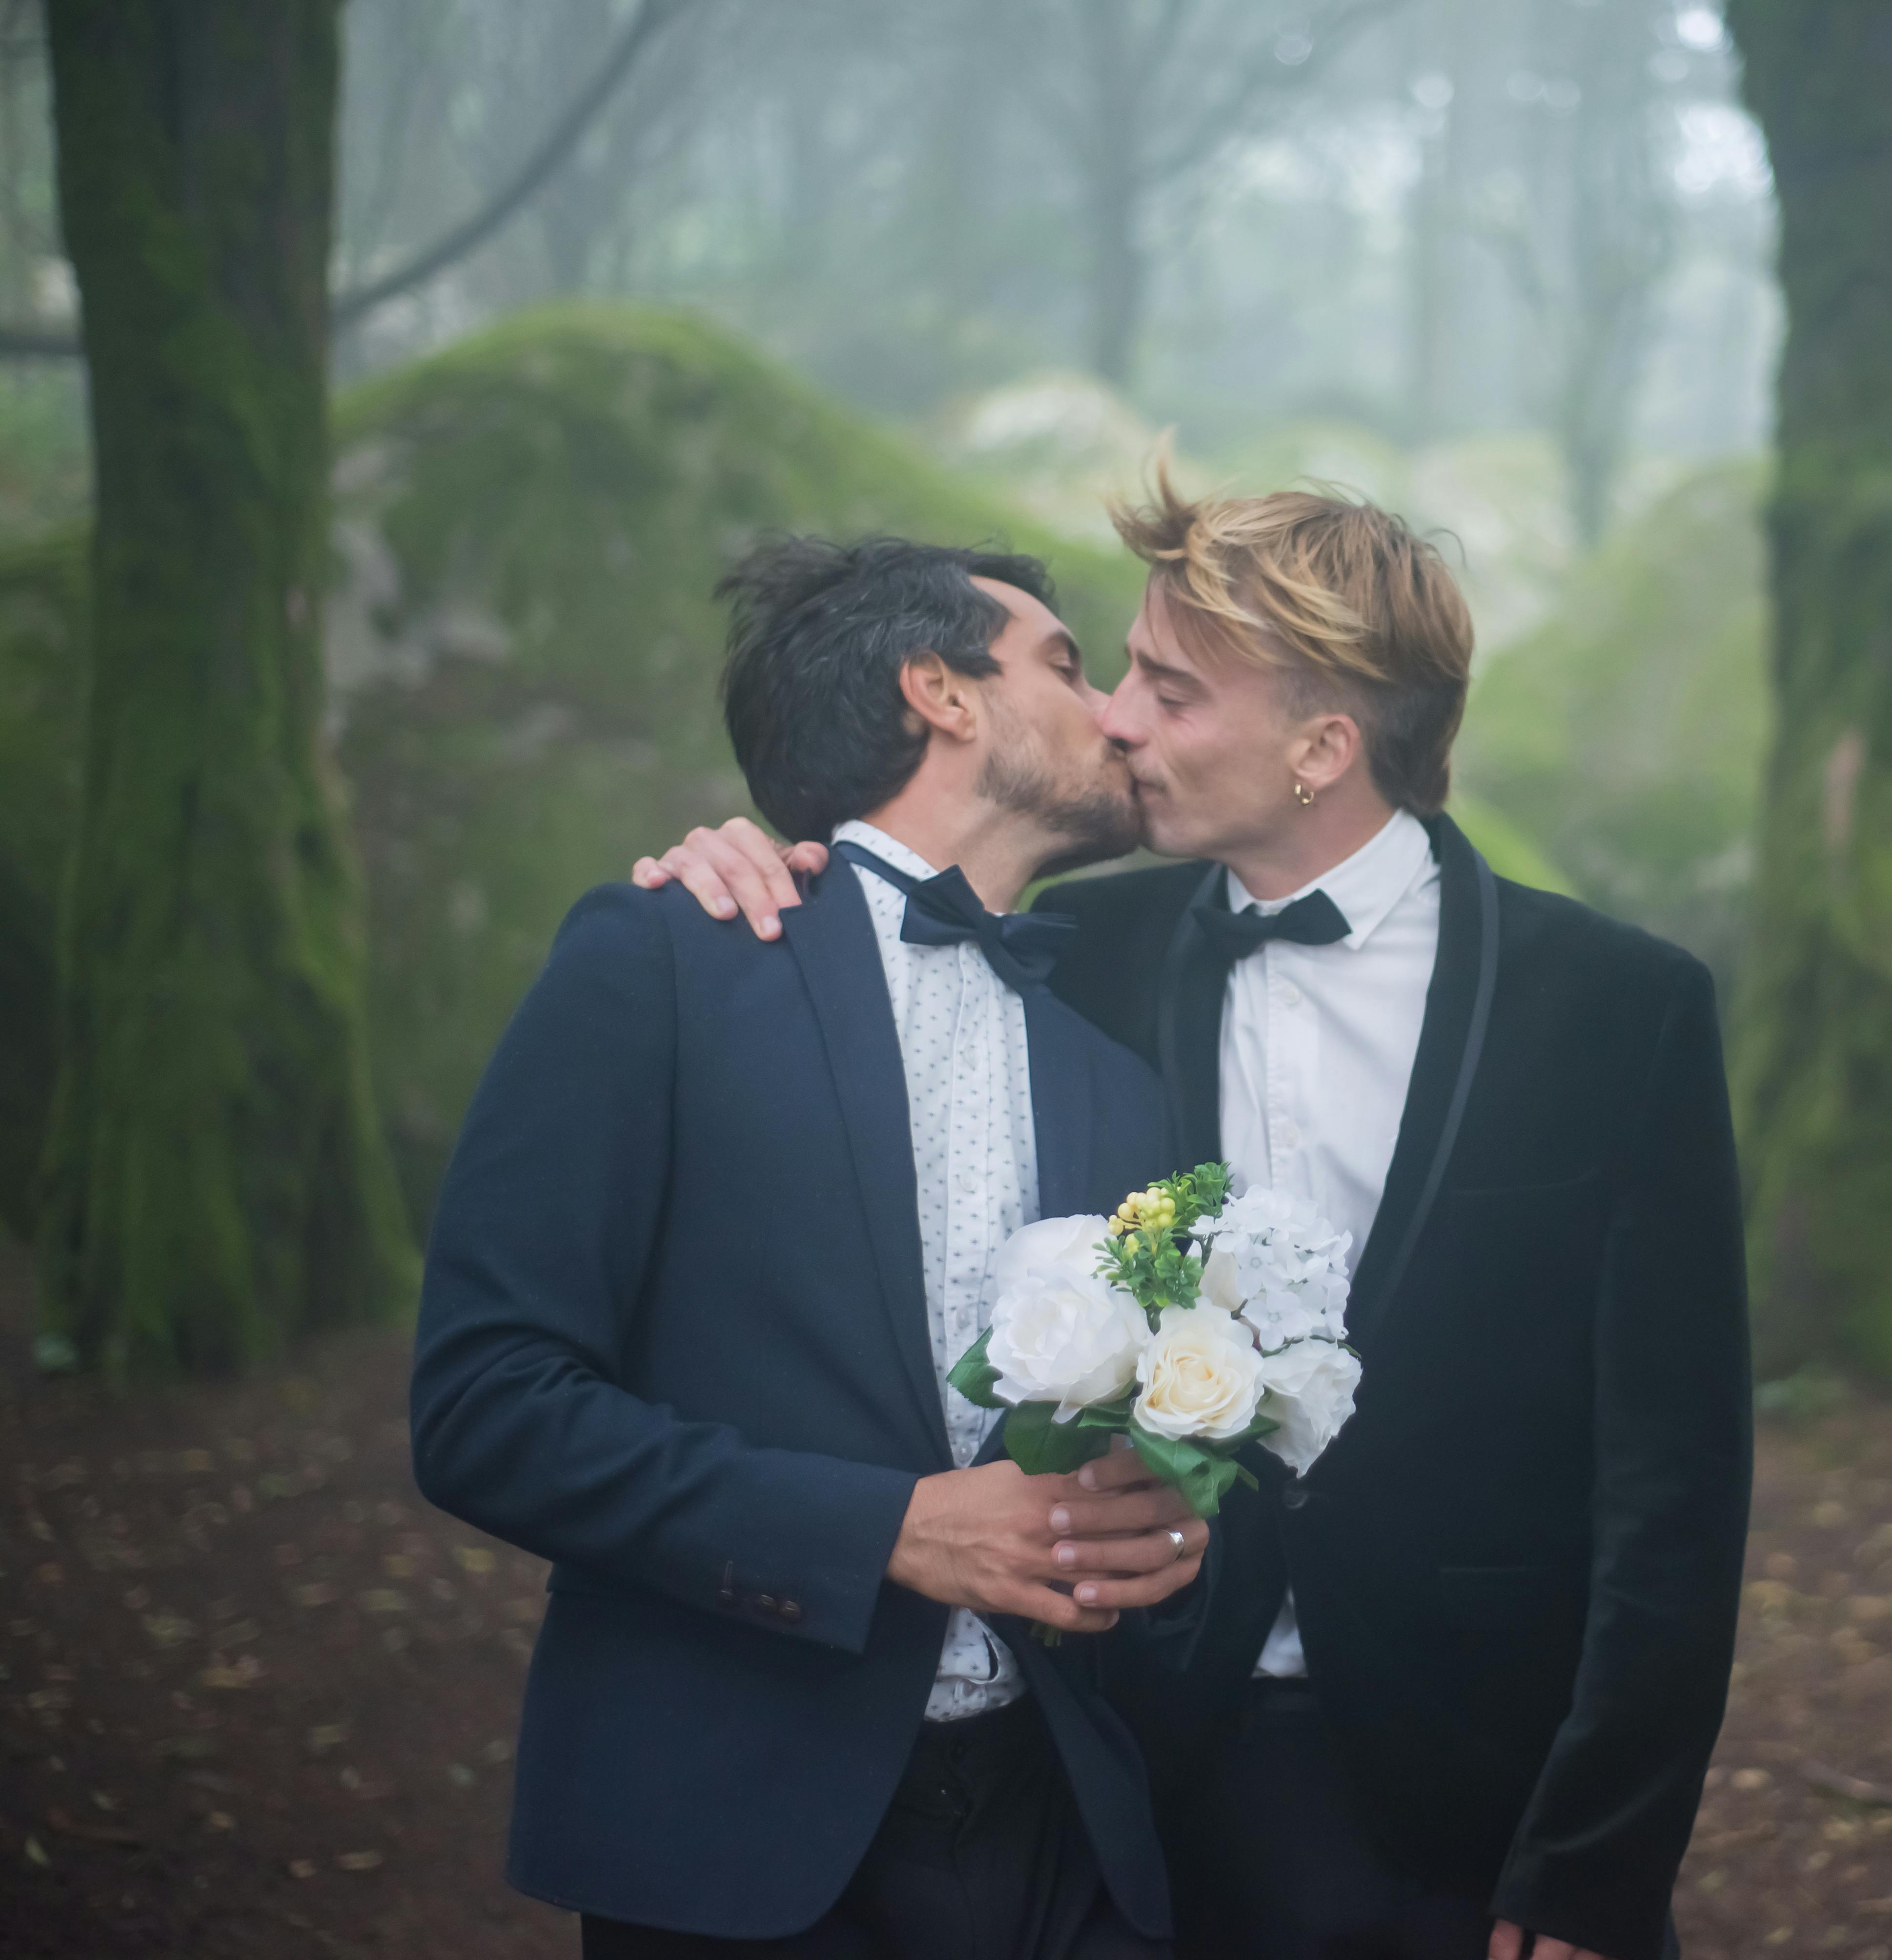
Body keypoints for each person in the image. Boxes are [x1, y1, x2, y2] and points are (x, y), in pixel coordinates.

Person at [640, 477, 1752, 1960]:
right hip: (1133, 1792)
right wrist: (736, 861)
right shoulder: (1062, 957)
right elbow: (875, 927)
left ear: (1322, 749)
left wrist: (1599, 1861)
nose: (1117, 721)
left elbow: (1676, 1487)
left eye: (1169, 690)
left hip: (1480, 1804)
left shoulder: (1621, 1010)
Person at [415, 538, 1217, 1960]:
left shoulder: (1118, 1073)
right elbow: (486, 1408)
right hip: (734, 1829)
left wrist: (1161, 1511)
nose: (1111, 714)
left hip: (1069, 1838)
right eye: (1066, 665)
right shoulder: (662, 956)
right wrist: (886, 1532)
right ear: (941, 693)